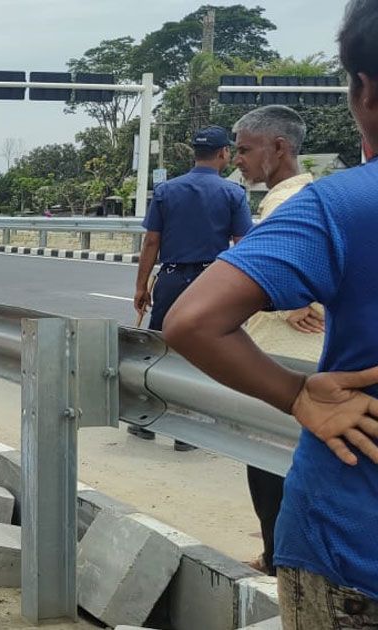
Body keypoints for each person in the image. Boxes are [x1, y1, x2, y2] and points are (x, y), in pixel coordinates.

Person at [165, 3, 378, 625]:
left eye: (248, 148)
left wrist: (293, 396)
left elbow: (192, 321)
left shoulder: (337, 205)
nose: (240, 159)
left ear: (362, 89)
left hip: (354, 541)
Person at [231, 104, 323, 577]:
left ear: (279, 147)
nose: (238, 160)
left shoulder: (289, 203)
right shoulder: (313, 195)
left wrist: (281, 298)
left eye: (245, 149)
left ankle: (276, 560)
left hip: (283, 362)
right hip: (302, 357)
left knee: (268, 468)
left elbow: (249, 283)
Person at [131, 125, 253, 448]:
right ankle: (188, 430)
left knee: (158, 349)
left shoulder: (166, 191)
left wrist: (141, 286)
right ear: (224, 153)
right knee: (203, 351)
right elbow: (243, 246)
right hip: (212, 281)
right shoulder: (233, 194)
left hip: (170, 279)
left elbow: (151, 242)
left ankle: (145, 420)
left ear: (195, 154)